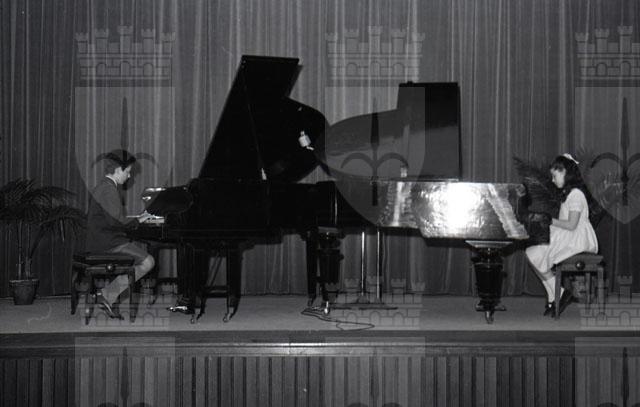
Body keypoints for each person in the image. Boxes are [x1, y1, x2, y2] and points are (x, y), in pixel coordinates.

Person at [525, 153, 599, 317]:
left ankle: (560, 293)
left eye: (555, 176)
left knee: (535, 253)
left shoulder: (576, 194)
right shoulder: (569, 194)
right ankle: (555, 295)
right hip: (570, 235)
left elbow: (572, 225)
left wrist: (550, 220)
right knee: (532, 253)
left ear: (566, 172)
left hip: (578, 239)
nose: (552, 180)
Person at [86, 150, 155, 319]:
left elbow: (113, 219)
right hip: (108, 243)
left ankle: (108, 294)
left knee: (140, 261)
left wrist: (136, 219)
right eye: (128, 171)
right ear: (118, 170)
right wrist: (138, 220)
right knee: (148, 261)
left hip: (101, 239)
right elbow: (116, 221)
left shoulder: (104, 186)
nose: (129, 176)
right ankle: (107, 294)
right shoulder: (109, 189)